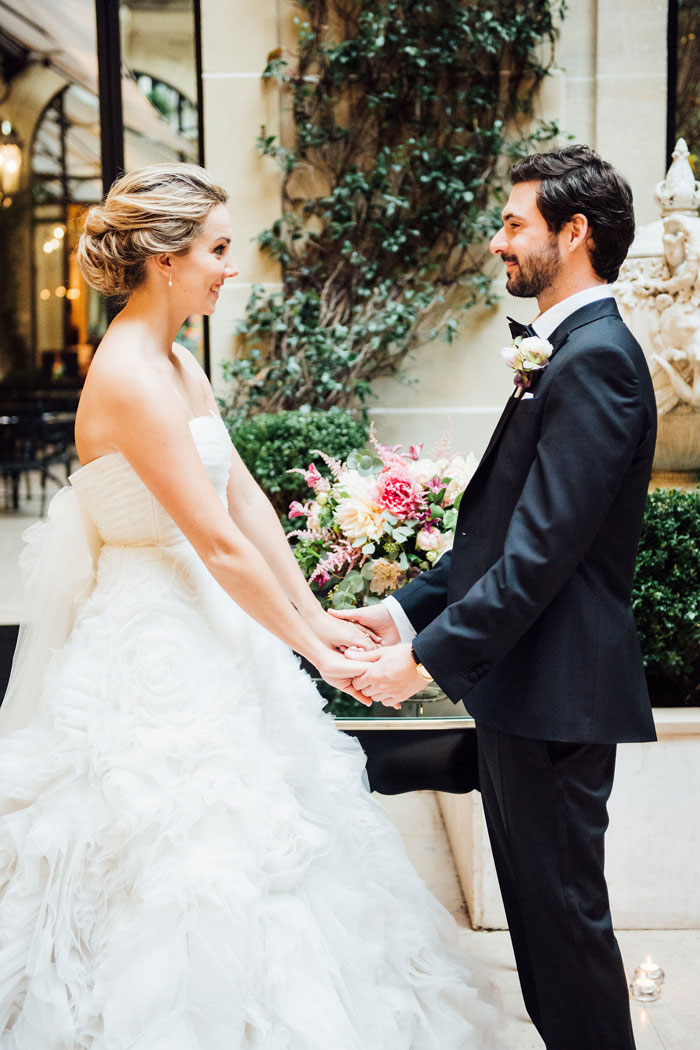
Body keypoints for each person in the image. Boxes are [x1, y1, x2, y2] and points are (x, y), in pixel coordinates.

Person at [0, 164, 497, 1049]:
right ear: (163, 258)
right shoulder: (129, 376)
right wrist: (311, 648)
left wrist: (317, 616)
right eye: (218, 249)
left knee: (287, 837)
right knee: (186, 856)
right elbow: (218, 546)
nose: (231, 267)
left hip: (211, 620)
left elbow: (246, 506)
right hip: (154, 642)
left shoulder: (179, 360)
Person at [337, 145, 657, 1050]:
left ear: (576, 232)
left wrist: (421, 664)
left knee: (565, 934)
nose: (495, 243)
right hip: (531, 695)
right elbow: (499, 541)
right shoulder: (565, 353)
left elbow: (542, 559)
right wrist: (400, 613)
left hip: (560, 696)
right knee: (544, 936)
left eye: (513, 223)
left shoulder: (598, 362)